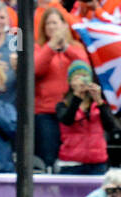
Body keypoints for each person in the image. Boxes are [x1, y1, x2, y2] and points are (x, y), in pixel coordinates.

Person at [33, 6, 87, 168]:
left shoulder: (76, 47)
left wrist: (65, 48)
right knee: (48, 157)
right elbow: (36, 69)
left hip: (71, 111)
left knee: (71, 158)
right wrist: (51, 47)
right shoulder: (38, 48)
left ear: (64, 26)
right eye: (48, 24)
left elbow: (84, 66)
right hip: (46, 112)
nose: (51, 27)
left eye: (55, 23)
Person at [55, 60, 116, 174]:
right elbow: (67, 120)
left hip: (97, 163)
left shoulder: (98, 104)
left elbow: (111, 126)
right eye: (77, 77)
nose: (82, 81)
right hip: (71, 163)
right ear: (70, 82)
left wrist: (99, 101)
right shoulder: (63, 105)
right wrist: (77, 96)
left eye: (84, 76)